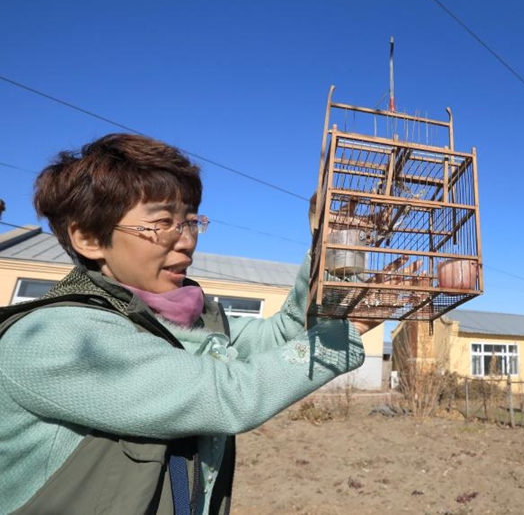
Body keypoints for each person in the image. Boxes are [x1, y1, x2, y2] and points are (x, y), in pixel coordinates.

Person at [0, 134, 378, 514]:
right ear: (89, 238)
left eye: (191, 221)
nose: (186, 242)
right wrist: (340, 339)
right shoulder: (56, 338)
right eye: (163, 223)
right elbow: (228, 395)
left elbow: (283, 335)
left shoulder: (178, 324)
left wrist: (331, 248)